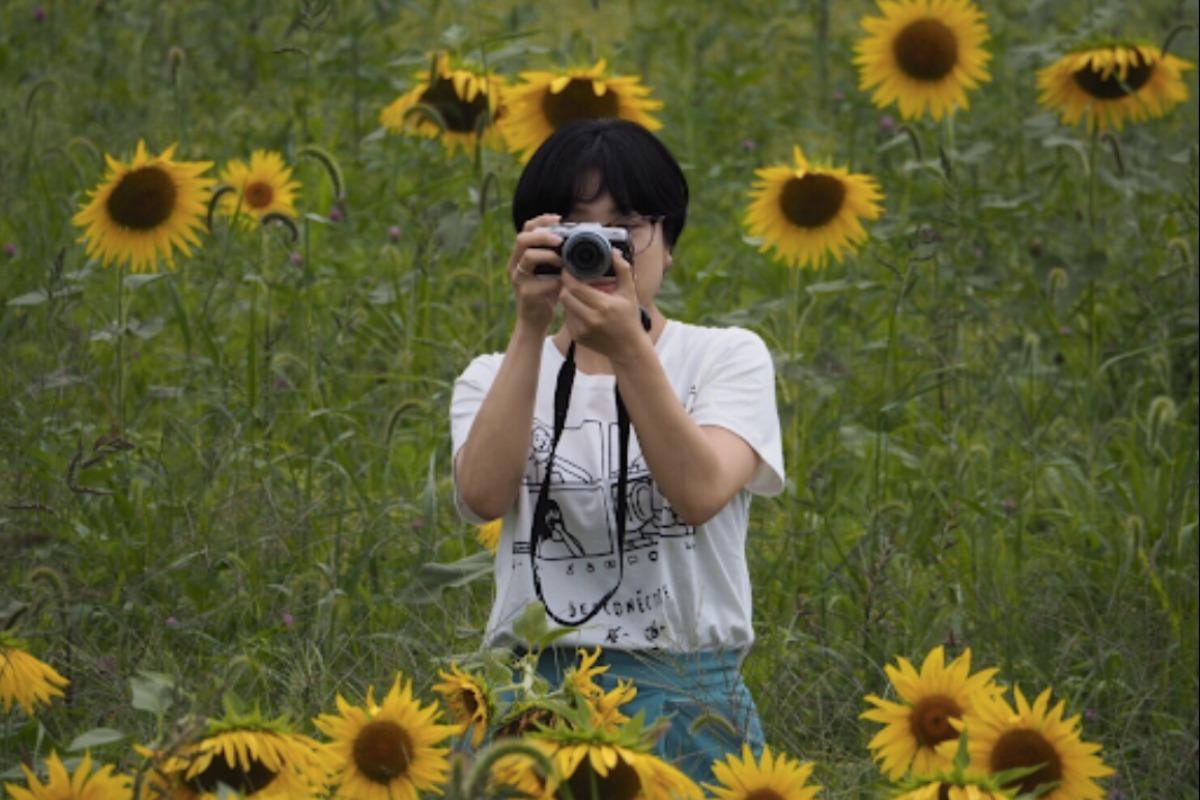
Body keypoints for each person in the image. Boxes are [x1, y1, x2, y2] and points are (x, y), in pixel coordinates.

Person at [449, 118, 785, 782]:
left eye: (623, 229)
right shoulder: (493, 374)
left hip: (687, 696)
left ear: (670, 243)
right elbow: (481, 496)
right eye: (575, 230)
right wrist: (530, 326)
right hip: (530, 698)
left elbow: (700, 494)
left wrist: (629, 345)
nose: (601, 252)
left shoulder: (725, 358)